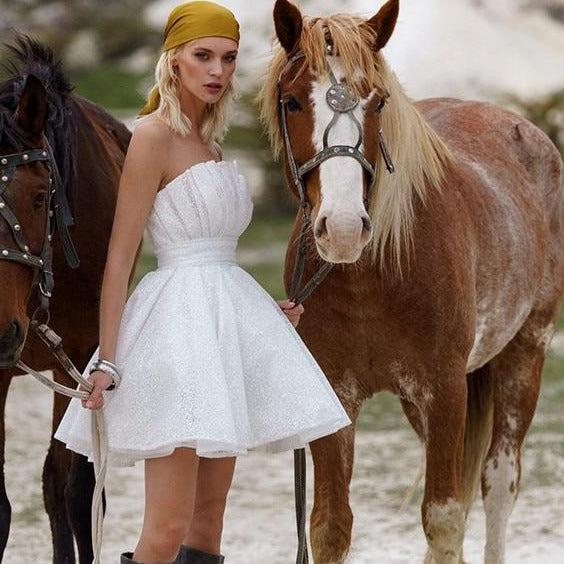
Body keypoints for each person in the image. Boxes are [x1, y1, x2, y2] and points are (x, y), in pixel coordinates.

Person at [55, 2, 351, 563]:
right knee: (166, 529)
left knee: (208, 524)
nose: (217, 70)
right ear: (175, 60)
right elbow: (120, 260)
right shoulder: (152, 136)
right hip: (175, 340)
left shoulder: (213, 144)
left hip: (222, 338)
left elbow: (217, 258)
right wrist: (108, 358)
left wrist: (261, 316)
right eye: (203, 56)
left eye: (228, 58)